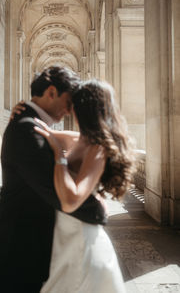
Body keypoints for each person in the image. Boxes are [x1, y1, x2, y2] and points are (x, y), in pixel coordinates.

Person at [0, 66, 107, 293]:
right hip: (15, 256)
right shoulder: (28, 130)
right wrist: (98, 210)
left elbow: (88, 140)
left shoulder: (35, 124)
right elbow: (60, 196)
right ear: (51, 92)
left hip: (28, 251)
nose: (69, 111)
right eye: (68, 102)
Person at [32, 79, 136, 293]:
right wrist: (22, 110)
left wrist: (59, 156)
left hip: (82, 241)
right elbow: (34, 129)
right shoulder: (78, 140)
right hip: (64, 238)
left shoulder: (97, 148)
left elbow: (71, 201)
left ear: (85, 110)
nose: (69, 112)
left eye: (74, 106)